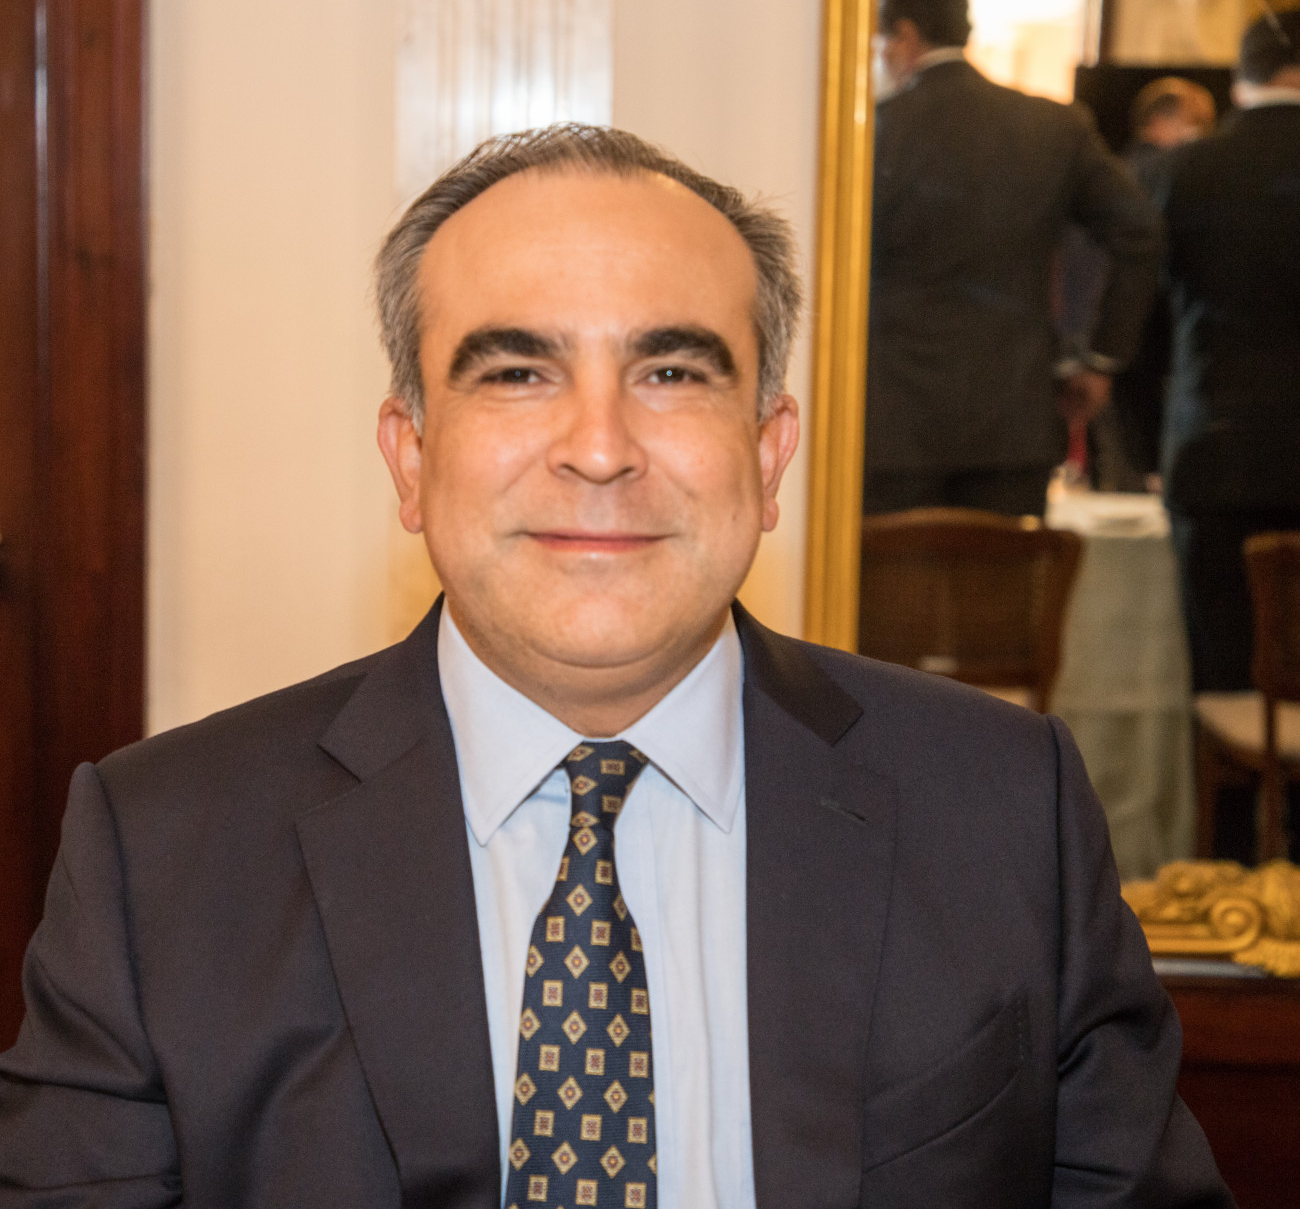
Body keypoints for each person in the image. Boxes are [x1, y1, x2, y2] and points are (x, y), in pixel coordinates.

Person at [0, 124, 1228, 1207]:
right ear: (411, 456)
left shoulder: (1005, 803)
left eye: (672, 372)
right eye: (517, 372)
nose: (599, 446)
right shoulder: (162, 851)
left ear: (769, 451)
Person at [867, 0, 1164, 518]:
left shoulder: (872, 132)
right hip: (1013, 419)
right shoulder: (1053, 126)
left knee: (892, 576)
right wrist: (1101, 357)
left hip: (888, 422)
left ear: (904, 35)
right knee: (1003, 573)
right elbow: (1138, 233)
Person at [1157, 10, 1300, 700]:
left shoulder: (1188, 169)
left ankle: (1230, 777)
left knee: (1223, 679)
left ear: (1241, 77)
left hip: (1217, 447)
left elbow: (1146, 314)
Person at [1087, 77, 1218, 491]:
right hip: (1146, 339)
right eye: (1194, 124)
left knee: (1116, 469)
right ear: (1161, 120)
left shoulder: (1115, 172)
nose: (1202, 137)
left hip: (1109, 336)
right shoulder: (1161, 176)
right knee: (1138, 479)